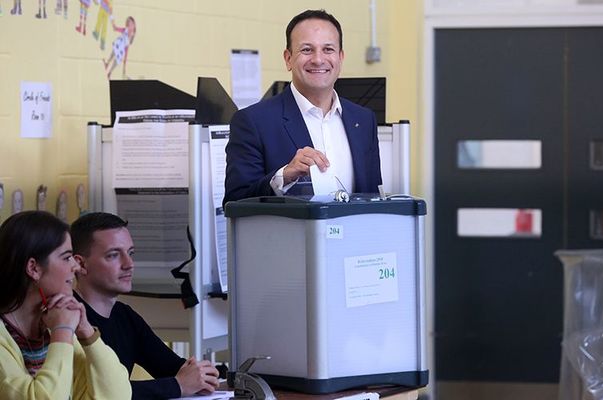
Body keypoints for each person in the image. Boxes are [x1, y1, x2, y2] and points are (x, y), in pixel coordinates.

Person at [223, 9, 382, 204]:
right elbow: (235, 202)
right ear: (288, 58)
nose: (318, 59)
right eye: (307, 49)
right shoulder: (253, 122)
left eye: (328, 49)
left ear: (340, 58)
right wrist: (283, 177)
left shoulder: (364, 120)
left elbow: (374, 199)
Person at [70, 211, 220, 399]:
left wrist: (201, 374)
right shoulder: (67, 318)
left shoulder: (125, 316)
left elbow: (172, 367)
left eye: (130, 253)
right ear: (80, 264)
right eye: (113, 255)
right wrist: (178, 385)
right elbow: (98, 393)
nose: (129, 264)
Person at [0, 210, 131, 400]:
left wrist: (87, 334)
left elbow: (118, 396)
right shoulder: (59, 329)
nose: (76, 266)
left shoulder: (55, 324)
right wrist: (63, 331)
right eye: (66, 257)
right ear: (34, 268)